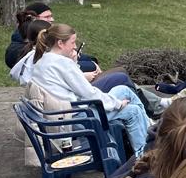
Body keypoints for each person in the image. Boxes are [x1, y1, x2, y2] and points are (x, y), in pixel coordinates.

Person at [11, 22, 150, 155]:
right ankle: (144, 155)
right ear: (60, 43)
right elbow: (89, 93)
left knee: (123, 90)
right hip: (76, 118)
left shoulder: (43, 60)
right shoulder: (63, 64)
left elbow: (73, 87)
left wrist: (73, 62)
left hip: (63, 112)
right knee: (134, 111)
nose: (75, 46)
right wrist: (117, 104)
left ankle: (149, 128)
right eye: (72, 42)